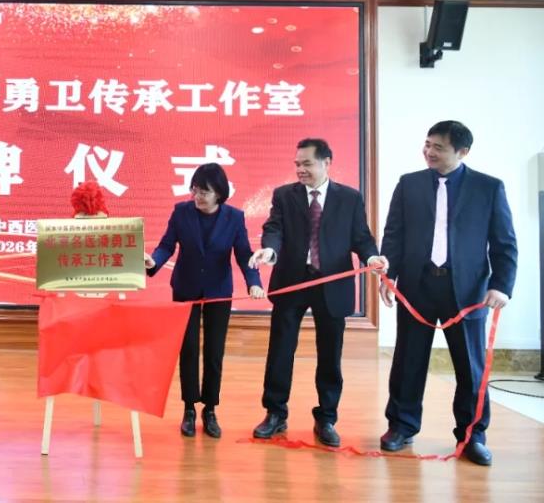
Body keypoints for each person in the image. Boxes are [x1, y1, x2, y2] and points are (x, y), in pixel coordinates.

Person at [378, 121, 517, 466]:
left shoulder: (488, 188)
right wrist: (388, 276)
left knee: (470, 367)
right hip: (417, 285)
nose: (429, 152)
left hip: (468, 292)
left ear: (462, 152)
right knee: (408, 360)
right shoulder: (409, 184)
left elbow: (504, 243)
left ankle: (472, 435)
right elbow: (394, 234)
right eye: (427, 144)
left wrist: (501, 285)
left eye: (438, 147)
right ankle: (401, 426)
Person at [248, 138, 387, 447]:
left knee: (330, 355)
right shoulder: (284, 195)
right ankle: (275, 413)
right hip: (292, 283)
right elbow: (274, 229)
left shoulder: (349, 198)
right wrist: (269, 250)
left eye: (307, 164)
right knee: (280, 351)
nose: (300, 169)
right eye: (297, 164)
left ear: (327, 163)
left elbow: (361, 237)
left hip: (332, 285)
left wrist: (372, 257)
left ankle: (326, 417)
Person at [144, 163, 265, 438]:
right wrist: (154, 262)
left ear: (219, 193)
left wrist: (254, 283)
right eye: (195, 190)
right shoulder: (181, 212)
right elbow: (166, 245)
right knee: (187, 350)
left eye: (204, 191)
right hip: (185, 289)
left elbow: (244, 254)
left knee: (214, 351)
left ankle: (210, 409)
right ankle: (189, 408)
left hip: (218, 291)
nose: (197, 196)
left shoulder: (234, 218)